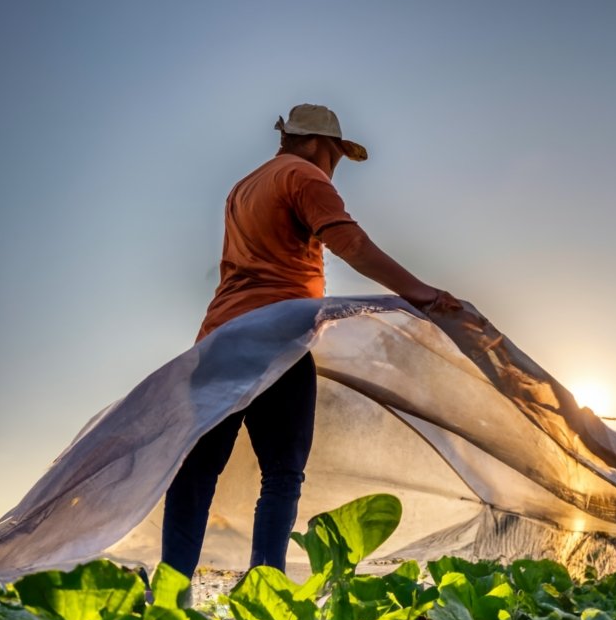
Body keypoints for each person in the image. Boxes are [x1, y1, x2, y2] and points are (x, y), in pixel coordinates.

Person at [161, 103, 461, 581]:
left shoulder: (243, 188)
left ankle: (171, 593)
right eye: (338, 153)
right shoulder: (304, 176)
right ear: (321, 143)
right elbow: (352, 245)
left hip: (217, 339)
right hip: (274, 338)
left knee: (197, 473)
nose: (337, 164)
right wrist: (422, 294)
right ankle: (266, 591)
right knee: (282, 474)